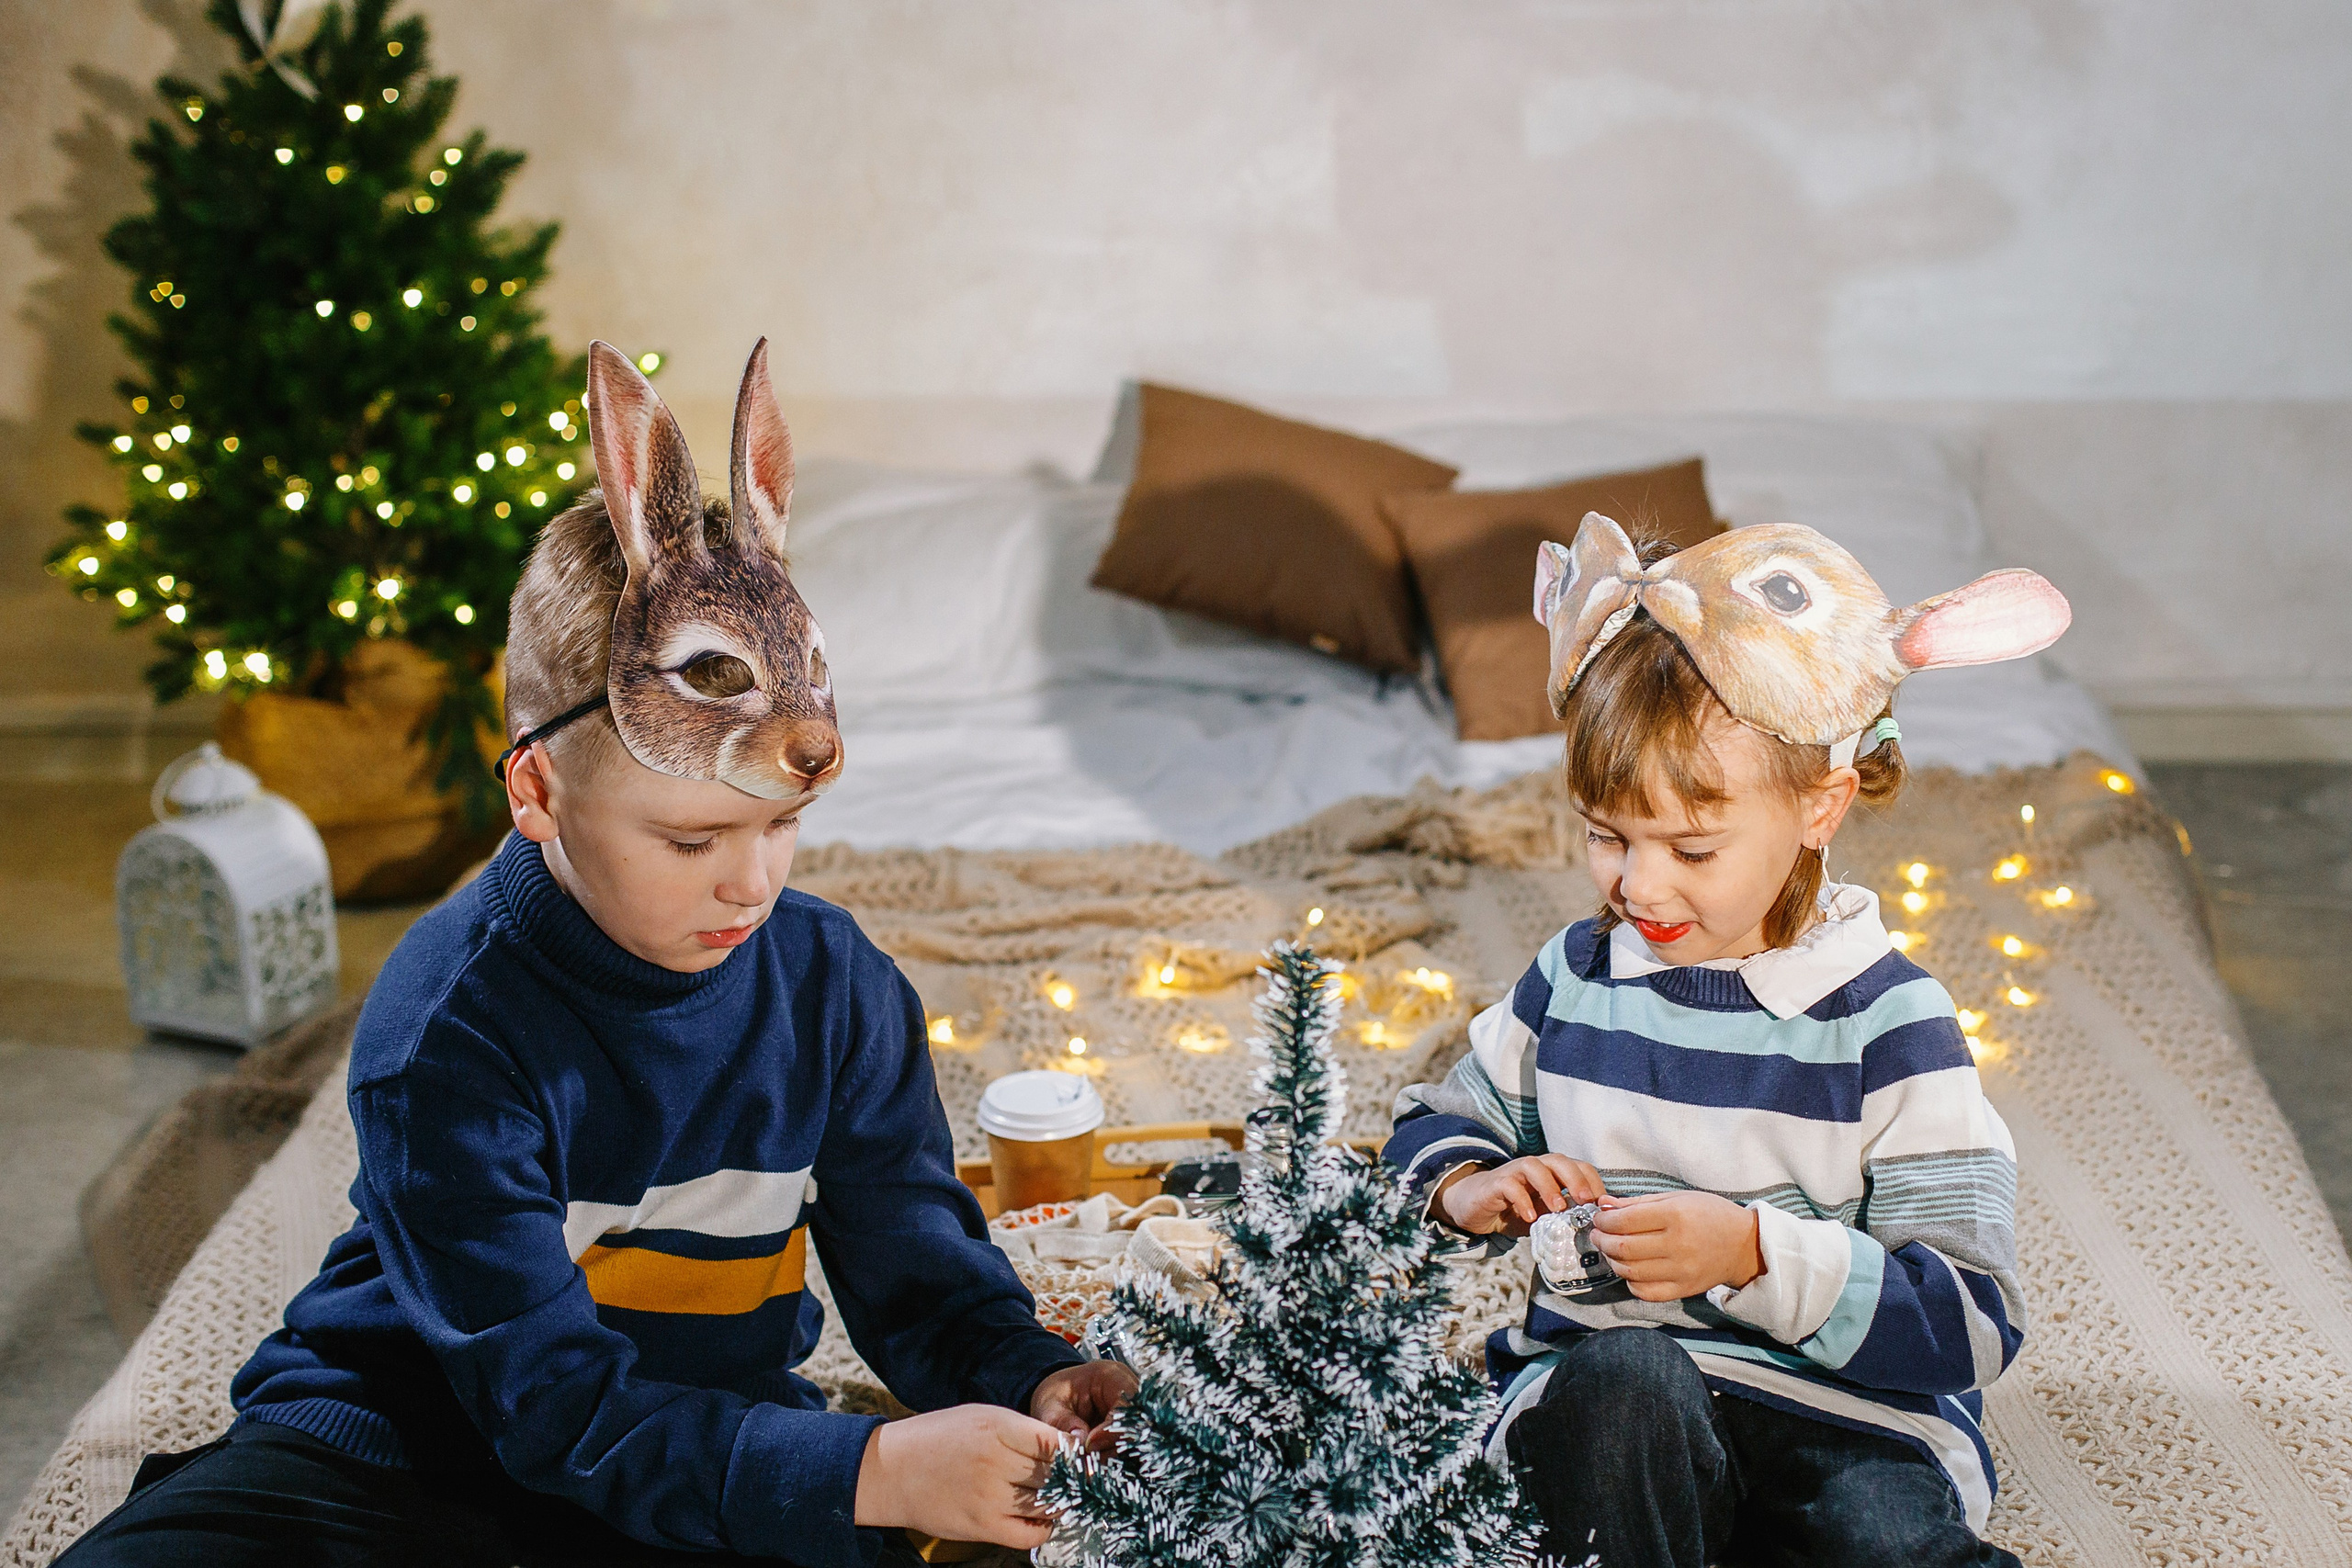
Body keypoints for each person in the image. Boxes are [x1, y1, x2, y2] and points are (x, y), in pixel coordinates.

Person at [59, 342, 1133, 1568]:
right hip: (406, 1446)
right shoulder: (445, 1024)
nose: (751, 880)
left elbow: (920, 1273)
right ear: (536, 790)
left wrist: (1031, 1372)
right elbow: (550, 1404)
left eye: (782, 826)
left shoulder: (835, 985)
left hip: (700, 1443)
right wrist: (872, 1464)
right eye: (691, 837)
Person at [1386, 513, 2074, 1568]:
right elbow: (1431, 1129)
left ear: (1820, 806)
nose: (1640, 886)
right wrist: (1464, 1187)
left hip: (1844, 1416)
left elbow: (1971, 1326)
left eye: (1692, 847)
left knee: (1880, 1532)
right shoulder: (1574, 977)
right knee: (1620, 1391)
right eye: (1608, 836)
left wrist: (1754, 1252)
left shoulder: (1891, 1024)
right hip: (1618, 1399)